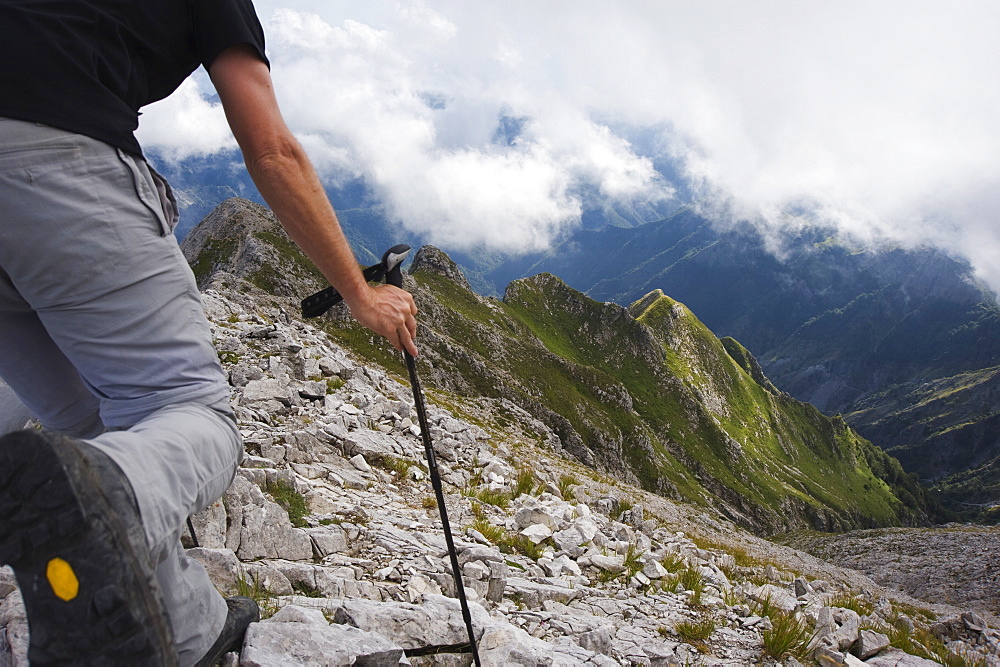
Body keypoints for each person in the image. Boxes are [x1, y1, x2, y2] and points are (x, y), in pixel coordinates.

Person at [0, 0, 418, 664]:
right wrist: (359, 292)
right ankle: (109, 499)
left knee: (91, 424)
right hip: (56, 145)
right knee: (192, 413)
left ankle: (189, 629)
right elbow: (271, 149)